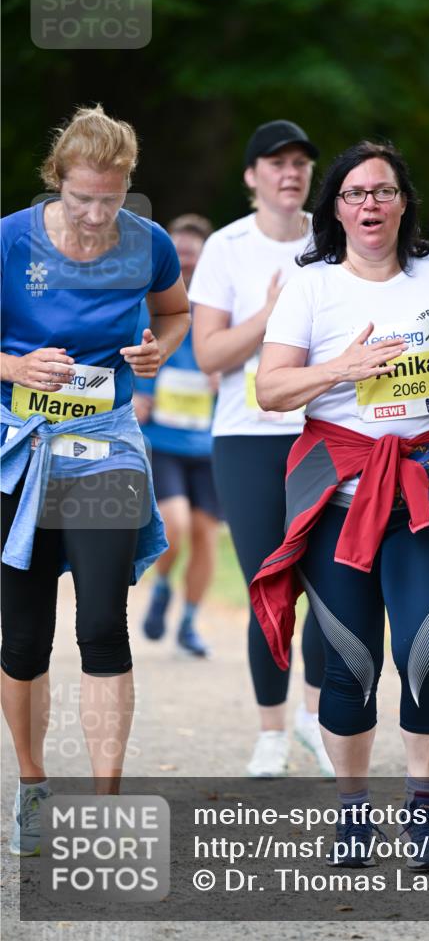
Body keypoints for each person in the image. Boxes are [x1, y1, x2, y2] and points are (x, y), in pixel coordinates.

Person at [251, 140, 429, 867]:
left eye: (382, 191)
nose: (369, 206)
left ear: (403, 202)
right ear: (335, 210)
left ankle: (422, 812)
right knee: (351, 667)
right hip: (339, 495)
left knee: (427, 655)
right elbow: (268, 391)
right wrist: (344, 368)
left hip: (426, 489)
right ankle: (353, 814)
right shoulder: (311, 286)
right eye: (354, 194)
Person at [0, 105, 190, 855]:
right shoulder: (11, 240)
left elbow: (175, 314)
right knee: (23, 639)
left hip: (105, 447)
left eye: (108, 200)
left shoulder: (146, 245)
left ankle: (106, 804)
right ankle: (33, 787)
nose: (93, 214)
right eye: (81, 198)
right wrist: (15, 367)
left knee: (103, 623)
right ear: (58, 183)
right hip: (19, 447)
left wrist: (155, 352)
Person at [189, 120, 331, 777]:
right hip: (246, 437)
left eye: (301, 161)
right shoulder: (226, 247)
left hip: (325, 432)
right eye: (276, 162)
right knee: (268, 587)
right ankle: (270, 731)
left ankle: (313, 720)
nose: (290, 172)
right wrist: (268, 316)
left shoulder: (332, 240)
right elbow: (210, 352)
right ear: (251, 176)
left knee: (334, 586)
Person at [134, 213, 222, 657]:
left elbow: (252, 358)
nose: (185, 264)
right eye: (179, 256)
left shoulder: (220, 309)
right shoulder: (147, 303)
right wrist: (132, 394)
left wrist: (225, 374)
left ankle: (188, 622)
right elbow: (119, 352)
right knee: (176, 526)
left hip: (208, 443)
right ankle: (164, 583)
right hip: (162, 441)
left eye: (193, 257)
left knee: (207, 535)